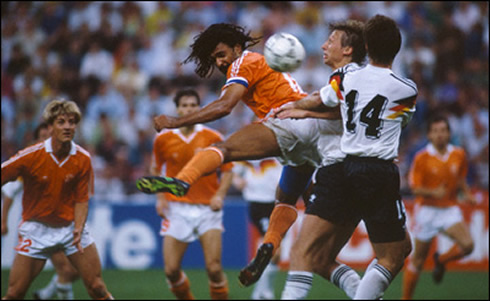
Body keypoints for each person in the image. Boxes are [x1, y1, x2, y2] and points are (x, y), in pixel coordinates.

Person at [134, 22, 354, 289]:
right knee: (285, 199)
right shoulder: (258, 63)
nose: (220, 61)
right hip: (312, 133)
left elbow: (225, 106)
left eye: (221, 53)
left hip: (288, 119)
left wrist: (175, 121)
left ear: (237, 48)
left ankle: (183, 180)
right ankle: (269, 245)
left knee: (221, 150)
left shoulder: (244, 61)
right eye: (214, 58)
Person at [274, 15, 416, 299]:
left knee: (308, 252)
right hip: (378, 171)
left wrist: (300, 109)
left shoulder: (347, 78)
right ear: (397, 49)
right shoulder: (406, 89)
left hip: (343, 169)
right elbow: (399, 122)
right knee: (394, 256)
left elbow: (324, 99)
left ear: (365, 45)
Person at [1, 99, 113, 300]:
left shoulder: (83, 158)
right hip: (36, 230)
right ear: (51, 125)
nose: (68, 127)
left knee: (97, 287)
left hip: (70, 229)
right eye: (61, 122)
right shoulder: (30, 156)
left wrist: (79, 226)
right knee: (14, 294)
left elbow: (81, 199)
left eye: (72, 122)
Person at [148, 89, 234, 300]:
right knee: (171, 270)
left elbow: (228, 170)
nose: (189, 109)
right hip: (176, 208)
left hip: (207, 208)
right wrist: (160, 198)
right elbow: (156, 169)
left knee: (214, 269)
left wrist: (220, 195)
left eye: (193, 105)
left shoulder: (213, 137)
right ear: (177, 109)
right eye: (185, 105)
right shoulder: (163, 139)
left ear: (199, 108)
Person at [1, 121, 80, 300]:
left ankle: (45, 294)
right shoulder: (31, 161)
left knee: (73, 271)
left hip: (59, 226)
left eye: (49, 136)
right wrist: (3, 220)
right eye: (43, 137)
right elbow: (9, 191)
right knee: (17, 291)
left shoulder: (63, 159)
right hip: (36, 229)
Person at [401, 115, 476, 299]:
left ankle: (441, 260)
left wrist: (466, 193)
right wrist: (433, 193)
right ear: (429, 135)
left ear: (449, 133)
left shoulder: (458, 154)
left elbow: (460, 178)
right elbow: (414, 187)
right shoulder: (422, 158)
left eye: (443, 130)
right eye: (435, 131)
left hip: (449, 209)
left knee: (468, 245)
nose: (440, 135)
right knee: (417, 261)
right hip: (427, 211)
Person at [232, 158, 283, 299]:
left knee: (277, 251)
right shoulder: (251, 152)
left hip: (278, 203)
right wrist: (237, 181)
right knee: (272, 249)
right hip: (258, 203)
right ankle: (264, 292)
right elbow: (234, 172)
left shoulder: (280, 149)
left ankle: (261, 291)